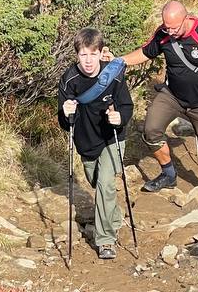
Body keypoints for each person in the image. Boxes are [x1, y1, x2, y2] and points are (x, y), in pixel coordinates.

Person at [107, 0, 198, 197]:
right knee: (151, 130)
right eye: (167, 27)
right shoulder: (164, 32)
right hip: (172, 95)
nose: (170, 32)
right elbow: (146, 52)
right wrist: (119, 61)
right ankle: (168, 175)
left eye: (174, 28)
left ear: (186, 18)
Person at [58, 28, 134, 260]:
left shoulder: (114, 76)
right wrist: (66, 113)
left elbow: (126, 106)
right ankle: (113, 214)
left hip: (112, 137)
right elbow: (65, 123)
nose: (88, 61)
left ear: (102, 53)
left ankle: (105, 240)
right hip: (86, 141)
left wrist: (119, 117)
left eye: (93, 54)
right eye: (83, 55)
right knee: (94, 181)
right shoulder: (69, 80)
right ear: (77, 55)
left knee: (105, 183)